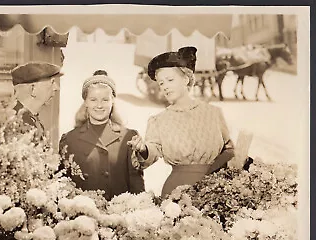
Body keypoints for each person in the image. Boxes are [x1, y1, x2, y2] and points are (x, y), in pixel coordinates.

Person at [128, 46, 235, 198]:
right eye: (161, 83)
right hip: (175, 194)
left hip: (213, 191)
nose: (164, 87)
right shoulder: (158, 121)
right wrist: (143, 148)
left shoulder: (213, 113)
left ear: (186, 79)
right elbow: (151, 151)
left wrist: (212, 175)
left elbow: (230, 150)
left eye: (170, 80)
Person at [59, 70, 145, 200]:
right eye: (93, 100)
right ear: (85, 102)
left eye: (105, 100)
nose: (99, 105)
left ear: (113, 101)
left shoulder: (128, 137)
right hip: (82, 217)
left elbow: (136, 185)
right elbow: (62, 187)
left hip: (118, 215)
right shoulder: (69, 140)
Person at [10, 61, 62, 137]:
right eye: (52, 82)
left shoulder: (30, 119)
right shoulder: (17, 122)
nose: (56, 88)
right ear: (33, 88)